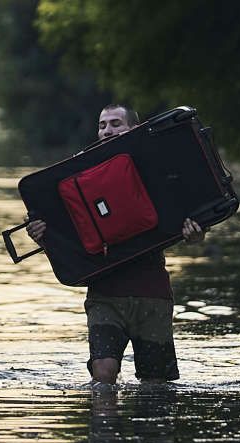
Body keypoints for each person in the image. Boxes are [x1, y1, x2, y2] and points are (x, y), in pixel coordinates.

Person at [26, 103, 206, 384]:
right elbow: (67, 239)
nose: (107, 130)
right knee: (103, 374)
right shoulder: (79, 173)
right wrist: (42, 235)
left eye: (115, 124)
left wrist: (195, 235)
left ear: (133, 129)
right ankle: (105, 426)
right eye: (102, 125)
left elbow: (187, 220)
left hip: (152, 294)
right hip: (104, 295)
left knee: (156, 386)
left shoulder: (157, 166)